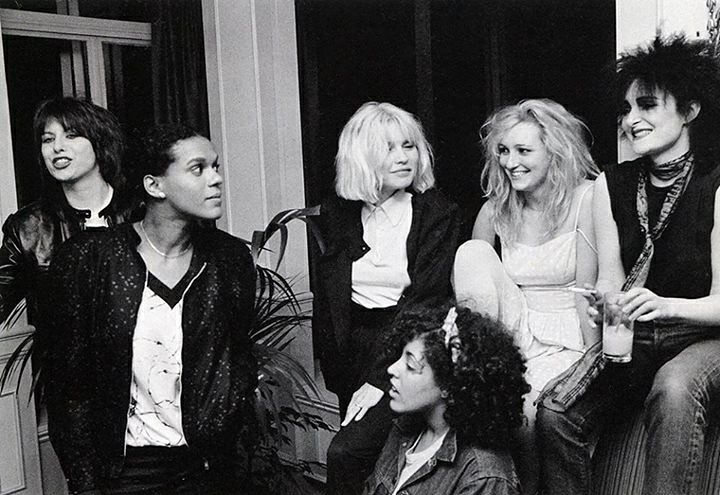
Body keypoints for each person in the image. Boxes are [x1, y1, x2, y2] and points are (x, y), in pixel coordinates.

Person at [536, 34, 720, 495]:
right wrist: (606, 308)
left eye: (647, 106)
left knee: (675, 387)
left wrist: (665, 305)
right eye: (625, 109)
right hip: (637, 337)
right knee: (555, 412)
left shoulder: (715, 185)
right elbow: (611, 283)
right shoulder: (610, 185)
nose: (631, 119)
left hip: (703, 336)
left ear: (690, 111)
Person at [44, 123, 257, 494]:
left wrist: (231, 444)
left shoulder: (230, 259)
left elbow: (238, 357)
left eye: (216, 166)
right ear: (154, 185)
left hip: (208, 469)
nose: (217, 179)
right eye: (198, 168)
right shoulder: (91, 258)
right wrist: (85, 483)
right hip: (127, 473)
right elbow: (69, 386)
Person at [453, 98, 599, 493]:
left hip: (570, 330)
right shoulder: (496, 210)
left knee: (529, 412)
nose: (510, 162)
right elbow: (476, 285)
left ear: (554, 150)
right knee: (471, 252)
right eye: (503, 150)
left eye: (523, 150)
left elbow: (589, 291)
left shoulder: (589, 198)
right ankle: (480, 369)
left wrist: (594, 367)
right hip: (515, 328)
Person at [313, 101, 459, 494]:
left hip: (404, 346)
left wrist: (379, 377)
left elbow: (427, 301)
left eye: (408, 146)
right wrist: (337, 367)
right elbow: (329, 297)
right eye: (389, 147)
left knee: (346, 453)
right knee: (375, 464)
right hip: (351, 350)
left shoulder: (436, 212)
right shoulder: (337, 211)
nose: (403, 157)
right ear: (362, 156)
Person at [0, 97, 131, 393]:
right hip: (75, 396)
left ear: (100, 143)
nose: (57, 147)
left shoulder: (143, 211)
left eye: (71, 135)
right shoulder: (28, 227)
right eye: (48, 139)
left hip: (154, 392)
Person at [363, 304, 528, 495]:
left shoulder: (484, 477)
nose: (392, 369)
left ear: (449, 386)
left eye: (410, 365)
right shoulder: (405, 428)